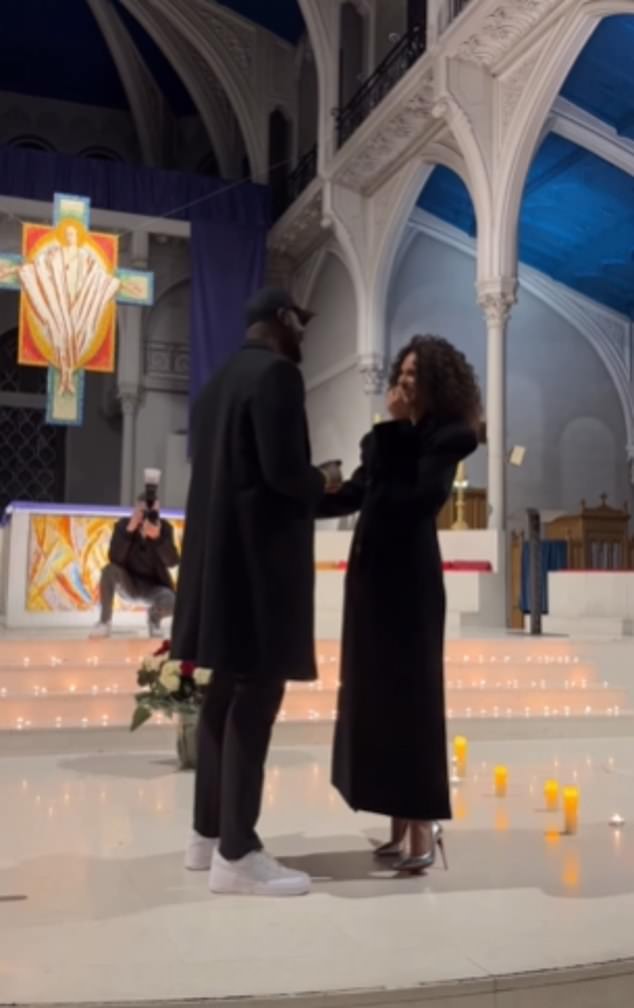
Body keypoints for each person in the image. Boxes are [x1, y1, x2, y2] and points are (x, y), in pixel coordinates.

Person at [171, 287, 340, 898]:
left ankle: (207, 835)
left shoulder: (216, 385)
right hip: (258, 573)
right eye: (301, 322)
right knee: (254, 701)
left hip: (219, 569)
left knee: (222, 697)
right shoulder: (277, 376)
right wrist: (328, 481)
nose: (304, 335)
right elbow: (283, 476)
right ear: (281, 319)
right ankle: (239, 853)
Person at [320, 335, 481, 873]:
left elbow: (417, 498)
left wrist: (393, 430)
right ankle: (396, 821)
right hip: (372, 581)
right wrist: (293, 499)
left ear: (436, 382)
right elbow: (356, 494)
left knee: (412, 701)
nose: (405, 382)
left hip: (410, 584)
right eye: (402, 373)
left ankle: (422, 824)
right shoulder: (386, 441)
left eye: (415, 374)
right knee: (376, 700)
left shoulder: (449, 436)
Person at [90, 496, 179, 639]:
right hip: (128, 583)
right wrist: (129, 530)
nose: (147, 516)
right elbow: (115, 559)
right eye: (143, 512)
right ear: (136, 510)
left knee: (173, 600)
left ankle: (154, 619)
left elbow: (172, 562)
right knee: (109, 570)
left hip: (154, 587)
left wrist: (157, 538)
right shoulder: (123, 525)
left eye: (153, 512)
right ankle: (104, 622)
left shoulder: (165, 528)